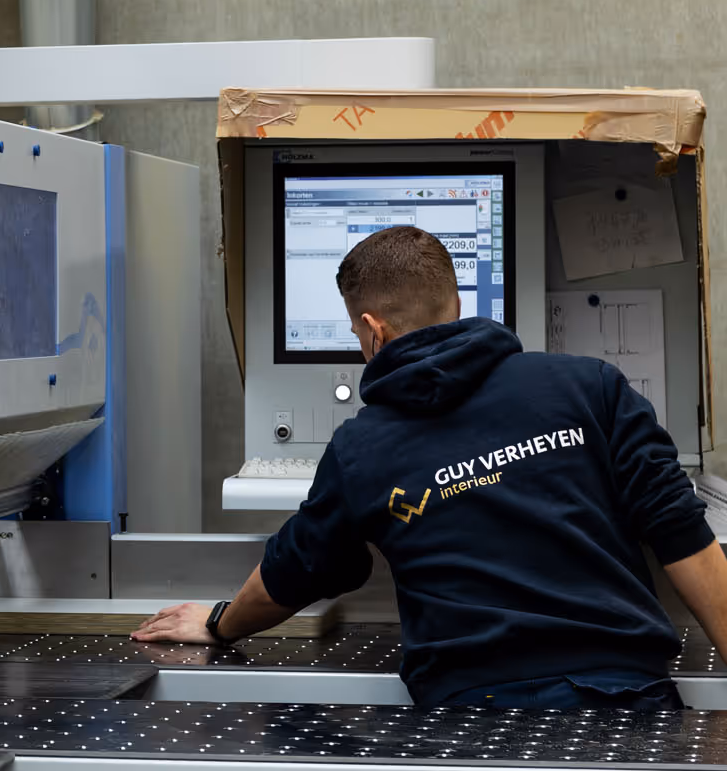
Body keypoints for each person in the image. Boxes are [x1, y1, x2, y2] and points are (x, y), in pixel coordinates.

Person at [132, 223, 727, 710]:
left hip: (469, 717)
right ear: (457, 303)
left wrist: (219, 624)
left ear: (373, 331)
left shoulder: (361, 448)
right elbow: (683, 536)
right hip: (626, 698)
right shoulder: (590, 386)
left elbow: (295, 570)